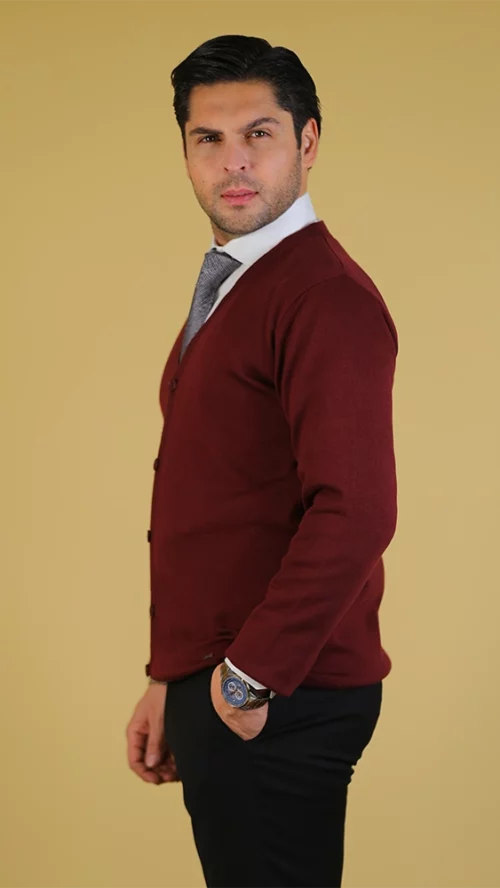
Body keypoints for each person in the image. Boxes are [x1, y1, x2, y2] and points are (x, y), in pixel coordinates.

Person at [126, 33, 398, 888]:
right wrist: (172, 678)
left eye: (259, 134)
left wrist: (245, 681)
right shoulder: (246, 279)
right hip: (228, 679)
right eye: (208, 138)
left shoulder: (322, 296)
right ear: (185, 152)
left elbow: (355, 509)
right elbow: (224, 496)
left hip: (279, 690)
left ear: (307, 142)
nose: (233, 161)